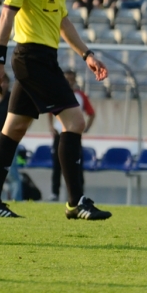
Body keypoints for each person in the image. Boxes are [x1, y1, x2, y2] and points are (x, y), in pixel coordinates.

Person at [0, 0, 110, 219]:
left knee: (13, 129)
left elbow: (63, 21)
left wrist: (87, 54)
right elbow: (7, 14)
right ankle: (75, 202)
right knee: (75, 122)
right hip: (31, 58)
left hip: (43, 58)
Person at [46, 70, 94, 202]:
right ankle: (55, 192)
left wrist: (86, 127)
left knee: (77, 164)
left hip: (73, 134)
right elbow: (50, 112)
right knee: (57, 164)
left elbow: (91, 113)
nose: (68, 81)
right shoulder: (57, 93)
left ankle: (78, 193)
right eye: (66, 78)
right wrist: (51, 126)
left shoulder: (80, 96)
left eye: (71, 79)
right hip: (59, 134)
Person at [0, 74, 21, 202]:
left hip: (8, 142)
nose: (3, 85)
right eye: (1, 82)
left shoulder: (12, 99)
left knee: (12, 174)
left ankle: (17, 200)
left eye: (5, 82)